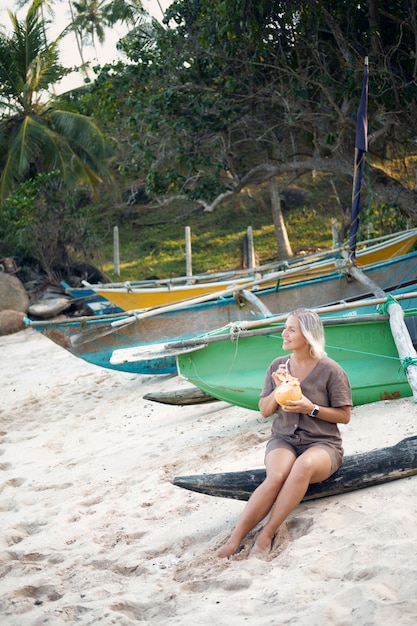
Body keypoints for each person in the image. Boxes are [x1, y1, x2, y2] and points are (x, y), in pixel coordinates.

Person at [217, 308, 352, 559]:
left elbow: (344, 415)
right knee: (277, 475)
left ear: (308, 336)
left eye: (291, 329)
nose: (284, 333)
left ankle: (267, 533)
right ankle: (234, 540)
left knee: (302, 467)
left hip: (323, 444)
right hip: (283, 439)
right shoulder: (277, 367)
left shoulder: (331, 370)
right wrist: (278, 391)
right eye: (285, 327)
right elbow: (264, 411)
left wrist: (309, 408)